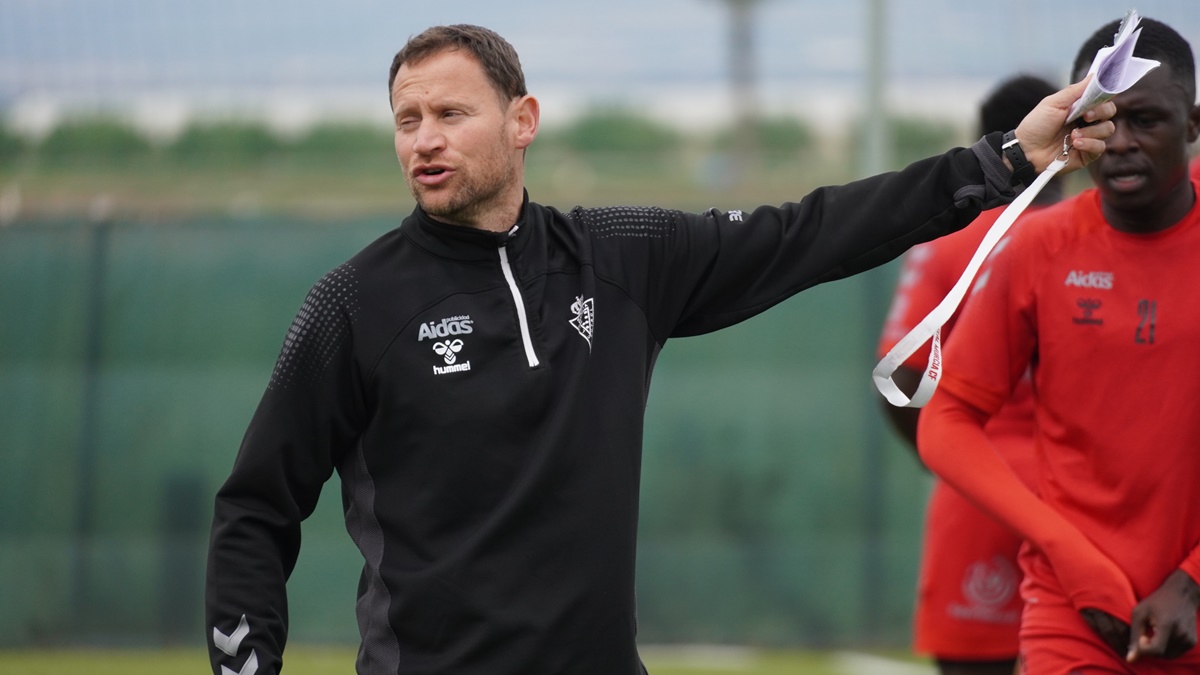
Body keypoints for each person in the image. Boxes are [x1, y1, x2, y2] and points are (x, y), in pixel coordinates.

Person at [204, 24, 1114, 675]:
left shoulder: (619, 256)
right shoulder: (353, 303)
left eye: (450, 112)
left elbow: (808, 231)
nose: (425, 140)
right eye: (407, 121)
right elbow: (254, 506)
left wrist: (997, 163)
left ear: (523, 121)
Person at [918, 17, 1200, 673]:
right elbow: (947, 418)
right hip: (1075, 614)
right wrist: (1068, 554)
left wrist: (1191, 578)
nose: (1121, 143)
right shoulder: (1038, 248)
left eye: (1147, 121)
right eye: (1099, 122)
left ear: (1192, 124)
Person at [876, 74, 1061, 675]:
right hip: (1087, 503)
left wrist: (948, 459)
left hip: (979, 495)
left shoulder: (950, 241)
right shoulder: (1099, 235)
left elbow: (900, 379)